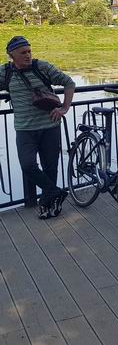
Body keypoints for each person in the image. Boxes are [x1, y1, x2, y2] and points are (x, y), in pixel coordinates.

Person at [1, 36, 75, 218]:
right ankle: (55, 192)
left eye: (29, 51)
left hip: (50, 126)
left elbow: (69, 83)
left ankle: (48, 206)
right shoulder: (5, 73)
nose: (27, 55)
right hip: (25, 130)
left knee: (50, 167)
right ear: (12, 55)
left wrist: (64, 108)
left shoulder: (42, 67)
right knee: (27, 165)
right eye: (23, 53)